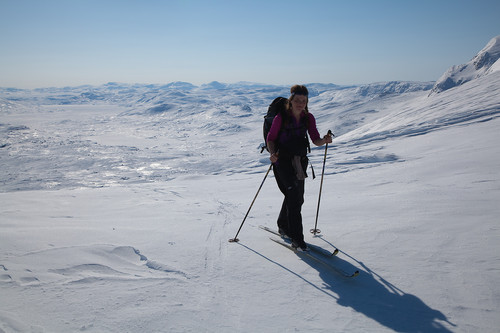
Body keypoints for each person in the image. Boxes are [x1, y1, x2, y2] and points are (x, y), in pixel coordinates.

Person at [267, 84, 332, 251]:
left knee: (296, 197)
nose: (300, 103)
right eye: (297, 100)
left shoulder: (308, 118)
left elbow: (315, 139)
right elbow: (271, 138)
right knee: (294, 198)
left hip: (299, 162)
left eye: (304, 100)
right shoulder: (281, 117)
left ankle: (283, 225)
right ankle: (297, 238)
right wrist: (272, 153)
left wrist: (324, 140)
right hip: (282, 162)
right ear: (291, 100)